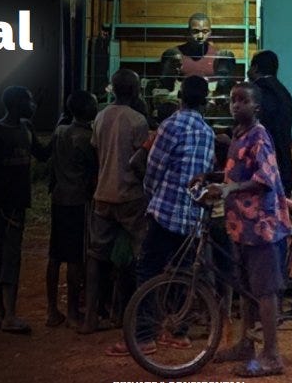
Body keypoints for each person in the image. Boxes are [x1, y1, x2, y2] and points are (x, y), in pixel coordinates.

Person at [105, 76, 214, 356]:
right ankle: (178, 332)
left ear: (181, 98)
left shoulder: (171, 124)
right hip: (192, 215)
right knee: (183, 273)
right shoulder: (207, 131)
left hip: (166, 211)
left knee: (148, 270)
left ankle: (143, 336)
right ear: (205, 102)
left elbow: (153, 167)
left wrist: (153, 196)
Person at [204, 82, 292, 377]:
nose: (236, 105)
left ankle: (272, 355)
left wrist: (229, 188)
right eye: (232, 100)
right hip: (242, 227)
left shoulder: (259, 136)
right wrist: (208, 177)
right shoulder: (238, 137)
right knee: (246, 288)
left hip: (262, 226)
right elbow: (235, 172)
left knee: (264, 292)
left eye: (243, 101)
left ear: (256, 107)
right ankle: (246, 343)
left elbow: (264, 178)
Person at [79, 69, 152, 335]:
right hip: (130, 196)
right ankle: (128, 315)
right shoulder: (138, 120)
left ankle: (90, 317)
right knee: (138, 255)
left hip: (103, 194)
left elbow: (98, 151)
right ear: (134, 91)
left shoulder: (100, 116)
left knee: (97, 256)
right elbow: (138, 161)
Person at [0, 86, 50, 335]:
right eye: (28, 100)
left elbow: (41, 154)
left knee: (8, 256)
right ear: (18, 103)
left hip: (14, 202)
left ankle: (6, 312)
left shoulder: (25, 128)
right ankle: (4, 312)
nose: (32, 104)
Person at [45, 91, 99, 328]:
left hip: (59, 198)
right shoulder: (87, 137)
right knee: (76, 257)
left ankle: (51, 309)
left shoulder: (60, 132)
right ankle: (73, 312)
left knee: (55, 256)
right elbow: (92, 172)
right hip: (78, 201)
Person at [248, 50, 292, 196]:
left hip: (261, 167)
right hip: (283, 164)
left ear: (255, 68)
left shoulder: (256, 92)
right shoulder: (284, 92)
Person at [159, 13, 237, 96]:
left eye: (205, 31)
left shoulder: (217, 56)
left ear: (210, 33)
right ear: (188, 31)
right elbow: (165, 84)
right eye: (195, 31)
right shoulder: (175, 55)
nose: (200, 36)